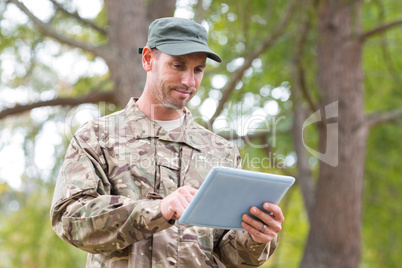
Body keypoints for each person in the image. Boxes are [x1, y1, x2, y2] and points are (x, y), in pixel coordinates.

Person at [50, 17, 285, 268]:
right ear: (148, 59)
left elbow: (229, 256)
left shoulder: (222, 152)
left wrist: (256, 236)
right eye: (178, 65)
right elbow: (69, 220)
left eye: (198, 70)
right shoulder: (97, 138)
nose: (189, 81)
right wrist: (159, 210)